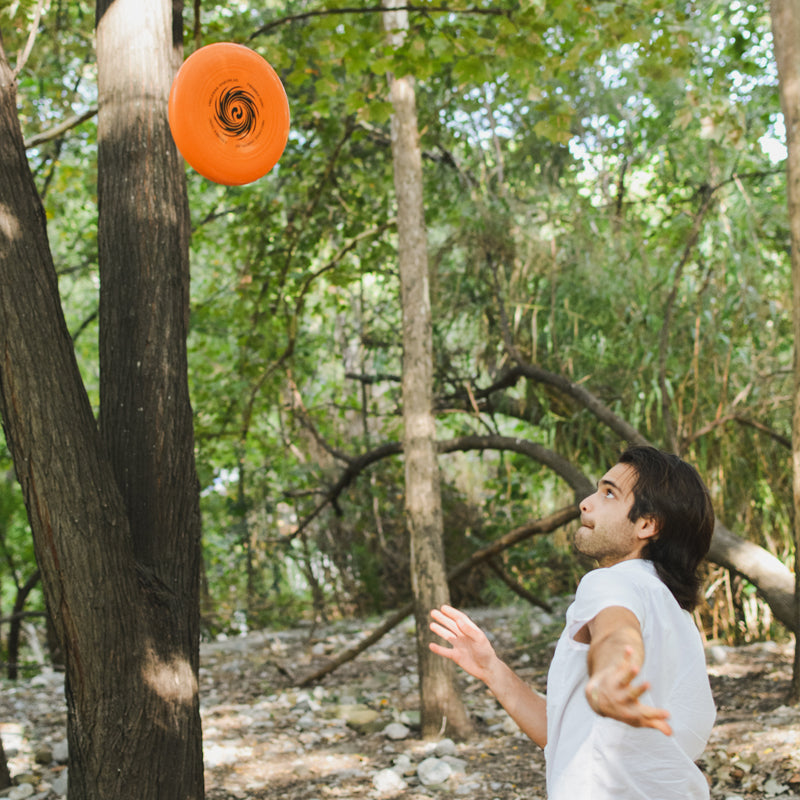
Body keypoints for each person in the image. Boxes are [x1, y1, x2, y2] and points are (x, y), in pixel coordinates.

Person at [430, 445, 716, 800]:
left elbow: (616, 631)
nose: (586, 501)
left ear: (646, 524)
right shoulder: (676, 612)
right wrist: (491, 668)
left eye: (609, 493)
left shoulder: (609, 581)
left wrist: (611, 673)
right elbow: (565, 735)